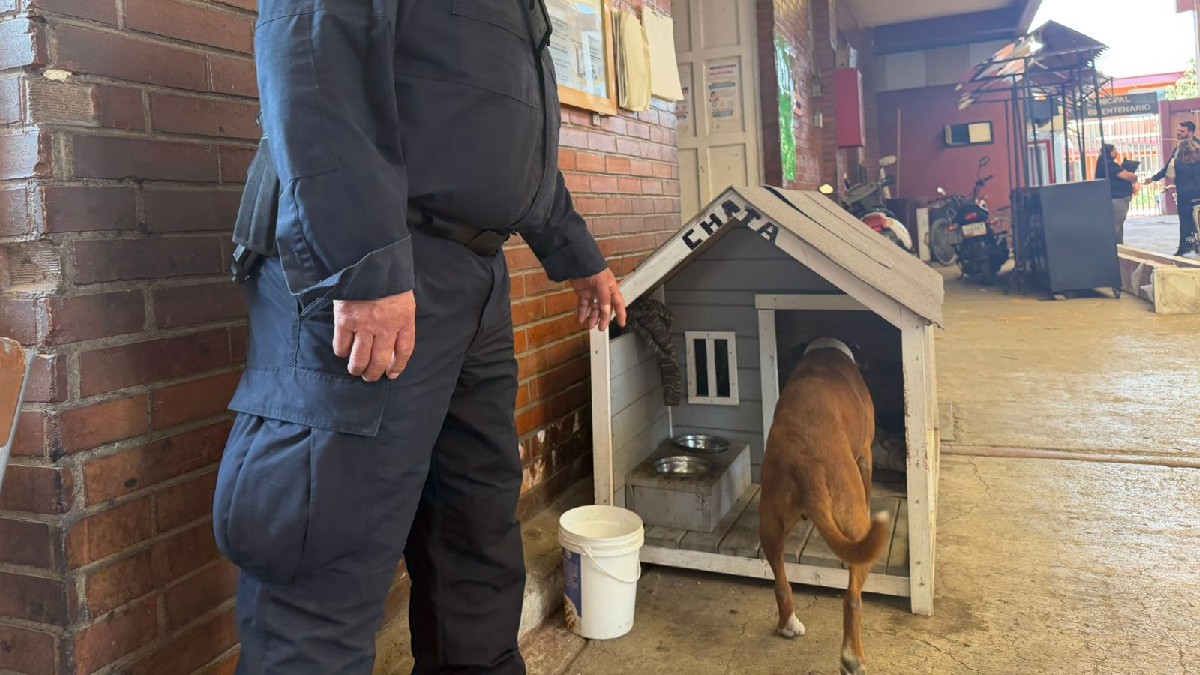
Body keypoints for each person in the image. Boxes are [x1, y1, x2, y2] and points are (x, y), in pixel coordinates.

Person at [213, 1, 629, 673]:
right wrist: (364, 261)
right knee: (323, 557)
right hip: (373, 269)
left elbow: (503, 128)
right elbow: (314, 47)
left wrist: (575, 252)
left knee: (475, 532)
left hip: (472, 277)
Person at [1145, 120, 1200, 255]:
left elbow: (1169, 171)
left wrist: (1155, 178)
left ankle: (1184, 247)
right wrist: (1153, 178)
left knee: (1185, 220)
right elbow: (1167, 168)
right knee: (1185, 220)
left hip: (1184, 192)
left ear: (1191, 132)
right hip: (1191, 190)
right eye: (1178, 130)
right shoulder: (1179, 150)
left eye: (1182, 131)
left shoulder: (1180, 151)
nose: (1178, 133)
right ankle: (1187, 244)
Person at [1094, 143, 1138, 245]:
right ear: (1110, 152)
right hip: (1117, 199)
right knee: (1116, 224)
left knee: (1118, 224)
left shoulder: (1104, 163)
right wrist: (1134, 176)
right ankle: (1111, 247)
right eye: (1115, 150)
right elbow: (1125, 175)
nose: (1116, 152)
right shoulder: (1108, 164)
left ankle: (1118, 246)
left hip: (1115, 198)